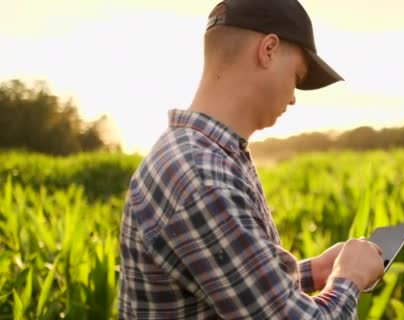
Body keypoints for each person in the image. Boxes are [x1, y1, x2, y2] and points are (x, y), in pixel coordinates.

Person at [118, 0, 385, 318]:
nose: (294, 97)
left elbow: (225, 284)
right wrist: (349, 278)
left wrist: (315, 271)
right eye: (296, 76)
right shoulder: (204, 176)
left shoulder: (195, 155)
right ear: (268, 50)